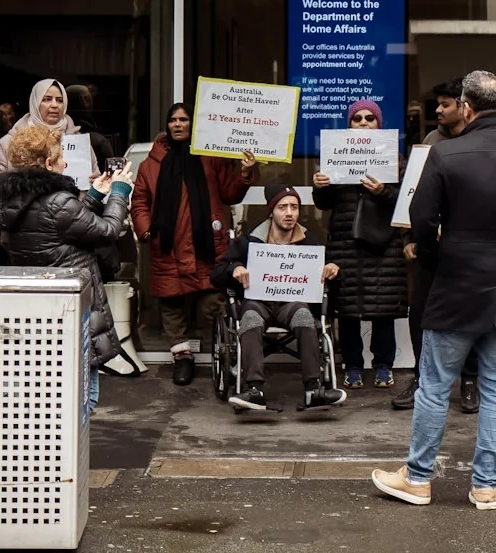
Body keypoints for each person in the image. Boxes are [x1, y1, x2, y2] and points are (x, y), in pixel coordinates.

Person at [372, 70, 496, 510]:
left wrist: (439, 265)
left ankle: (418, 479)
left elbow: (422, 221)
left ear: (467, 107)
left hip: (455, 288)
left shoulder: (446, 155)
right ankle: (485, 486)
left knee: (435, 387)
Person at [0, 122, 132, 421]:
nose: (65, 163)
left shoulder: (9, 203)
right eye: (60, 157)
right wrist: (119, 192)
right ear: (47, 164)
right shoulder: (58, 202)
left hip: (39, 311)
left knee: (51, 391)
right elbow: (107, 230)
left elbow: (54, 226)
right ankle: (67, 459)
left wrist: (92, 195)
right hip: (73, 308)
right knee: (85, 397)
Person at [131, 102, 255, 386]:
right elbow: (140, 200)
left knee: (213, 301)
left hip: (207, 245)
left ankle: (223, 355)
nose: (177, 124)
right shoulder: (152, 163)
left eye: (183, 119)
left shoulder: (211, 156)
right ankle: (182, 357)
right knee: (172, 304)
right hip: (168, 245)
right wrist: (146, 230)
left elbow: (230, 192)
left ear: (193, 124)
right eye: (173, 120)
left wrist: (245, 173)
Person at [211, 187, 345, 413]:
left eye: (294, 207)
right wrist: (235, 268)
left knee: (304, 317)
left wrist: (334, 270)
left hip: (292, 303)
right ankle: (254, 389)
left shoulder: (309, 241)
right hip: (258, 302)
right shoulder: (250, 241)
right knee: (250, 318)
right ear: (271, 211)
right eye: (283, 207)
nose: (289, 213)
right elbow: (216, 274)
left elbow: (333, 276)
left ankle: (314, 389)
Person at [395, 82, 479, 413]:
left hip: (469, 250)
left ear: (464, 106)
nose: (438, 111)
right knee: (422, 314)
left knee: (469, 315)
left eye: (445, 105)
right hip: (430, 247)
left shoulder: (477, 144)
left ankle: (470, 381)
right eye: (438, 105)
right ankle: (421, 376)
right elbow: (412, 195)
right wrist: (409, 238)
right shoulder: (430, 142)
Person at [314, 100, 408, 390]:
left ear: (379, 124)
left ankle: (383, 366)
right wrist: (321, 187)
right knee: (348, 310)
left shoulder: (396, 159)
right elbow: (324, 204)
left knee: (383, 309)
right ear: (349, 124)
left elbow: (404, 202)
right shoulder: (333, 156)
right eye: (357, 118)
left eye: (370, 118)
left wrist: (382, 192)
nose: (364, 123)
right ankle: (352, 366)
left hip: (383, 243)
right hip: (345, 242)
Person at [0, 78, 104, 174]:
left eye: (60, 100)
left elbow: (95, 174)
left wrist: (94, 184)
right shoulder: (7, 143)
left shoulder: (79, 143)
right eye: (47, 99)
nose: (54, 105)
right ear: (35, 103)